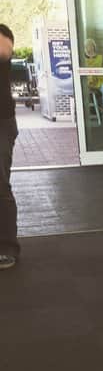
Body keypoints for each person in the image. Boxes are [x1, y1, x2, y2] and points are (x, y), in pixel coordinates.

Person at [0, 24, 19, 270]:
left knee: (0, 184)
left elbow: (5, 51)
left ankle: (6, 248)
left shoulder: (2, 34)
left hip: (1, 123)